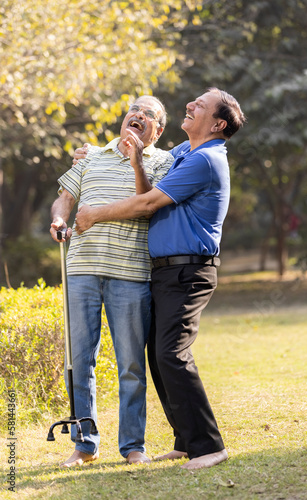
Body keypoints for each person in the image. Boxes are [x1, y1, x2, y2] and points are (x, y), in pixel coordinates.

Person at [74, 87, 246, 470]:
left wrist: (94, 215)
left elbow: (150, 202)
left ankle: (209, 446)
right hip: (167, 270)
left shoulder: (206, 159)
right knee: (158, 355)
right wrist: (102, 153)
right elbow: (151, 160)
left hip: (190, 270)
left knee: (172, 354)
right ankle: (185, 440)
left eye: (199, 105)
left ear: (217, 123)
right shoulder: (185, 153)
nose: (190, 104)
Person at [50, 95, 174, 467]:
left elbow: (147, 201)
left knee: (131, 364)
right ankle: (84, 444)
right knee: (79, 360)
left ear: (158, 129)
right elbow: (64, 198)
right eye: (133, 110)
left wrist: (137, 160)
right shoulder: (92, 156)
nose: (137, 115)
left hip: (131, 274)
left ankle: (133, 446)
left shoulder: (165, 162)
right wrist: (59, 219)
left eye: (148, 114)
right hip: (81, 269)